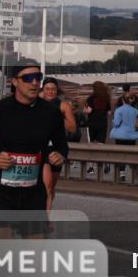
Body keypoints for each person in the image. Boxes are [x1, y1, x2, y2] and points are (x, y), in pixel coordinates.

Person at [0, 65, 68, 234]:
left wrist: (60, 155)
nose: (35, 82)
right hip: (1, 193)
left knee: (34, 252)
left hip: (34, 193)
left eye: (38, 77)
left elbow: (62, 144)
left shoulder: (51, 112)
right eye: (28, 78)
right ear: (14, 81)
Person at [41, 78, 78, 211]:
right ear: (43, 90)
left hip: (57, 149)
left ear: (57, 91)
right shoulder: (36, 104)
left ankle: (46, 216)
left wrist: (58, 118)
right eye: (47, 89)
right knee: (47, 184)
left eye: (53, 89)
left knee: (51, 187)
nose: (50, 91)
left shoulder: (63, 105)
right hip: (42, 148)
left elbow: (73, 128)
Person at [109, 94, 138, 180]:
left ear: (123, 100)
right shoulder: (135, 111)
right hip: (132, 136)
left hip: (120, 135)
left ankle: (122, 173)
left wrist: (112, 121)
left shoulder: (119, 110)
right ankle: (134, 173)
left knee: (121, 154)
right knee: (131, 155)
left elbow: (116, 123)